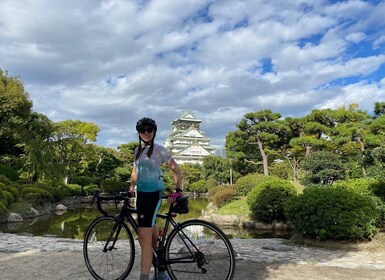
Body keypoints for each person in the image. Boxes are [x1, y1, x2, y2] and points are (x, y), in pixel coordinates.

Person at [129, 117, 183, 280]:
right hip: (141, 196)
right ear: (139, 133)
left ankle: (145, 277)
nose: (146, 133)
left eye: (149, 130)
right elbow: (135, 172)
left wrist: (178, 191)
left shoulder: (160, 149)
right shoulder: (137, 151)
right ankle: (161, 272)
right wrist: (131, 188)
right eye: (142, 130)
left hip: (153, 196)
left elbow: (176, 169)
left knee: (143, 239)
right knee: (148, 236)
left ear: (154, 132)